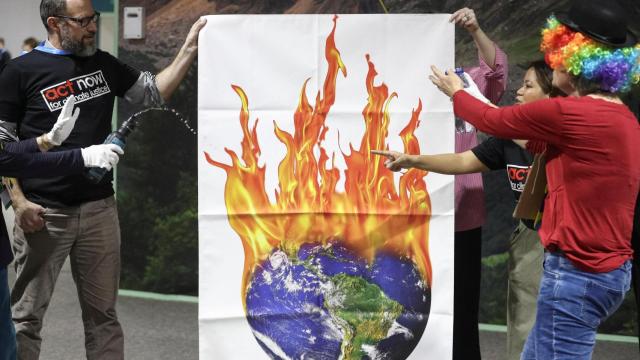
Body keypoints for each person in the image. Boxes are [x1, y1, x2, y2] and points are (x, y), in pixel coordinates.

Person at [428, 0, 640, 358]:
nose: (551, 62)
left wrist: (457, 92)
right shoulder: (619, 117)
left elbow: (493, 121)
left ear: (574, 62)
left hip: (578, 274)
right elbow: (532, 141)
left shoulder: (572, 114)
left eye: (557, 54)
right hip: (596, 271)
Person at [0, 0, 206, 358]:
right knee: (26, 318)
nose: (92, 27)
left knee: (103, 318)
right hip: (42, 215)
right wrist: (18, 202)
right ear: (54, 22)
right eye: (82, 21)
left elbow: (152, 92)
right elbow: (3, 146)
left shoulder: (103, 64)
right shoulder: (19, 72)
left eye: (93, 18)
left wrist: (187, 49)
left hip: (98, 210)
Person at [374, 60, 558, 359]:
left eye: (528, 86)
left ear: (552, 96)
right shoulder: (509, 139)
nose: (519, 91)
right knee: (524, 318)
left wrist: (468, 97)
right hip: (530, 233)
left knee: (559, 323)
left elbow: (526, 135)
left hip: (561, 233)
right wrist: (411, 160)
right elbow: (463, 161)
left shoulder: (562, 130)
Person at [1, 96, 123, 360]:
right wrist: (81, 157)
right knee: (17, 327)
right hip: (42, 216)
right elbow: (8, 161)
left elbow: (5, 154)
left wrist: (46, 141)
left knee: (5, 342)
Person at [448, 8, 508, 359]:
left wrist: (475, 29)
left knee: (463, 303)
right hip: (410, 215)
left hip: (462, 212)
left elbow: (496, 73)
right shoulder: (390, 87)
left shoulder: (465, 80)